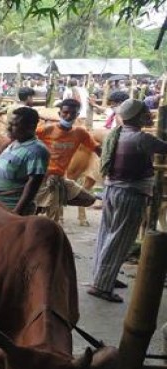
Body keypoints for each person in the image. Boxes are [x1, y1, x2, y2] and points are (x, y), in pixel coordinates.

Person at [89, 99, 167, 303]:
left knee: (107, 233)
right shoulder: (142, 138)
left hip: (112, 190)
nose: (149, 117)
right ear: (139, 117)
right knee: (120, 239)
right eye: (146, 113)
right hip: (130, 194)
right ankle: (101, 286)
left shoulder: (116, 134)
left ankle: (104, 277)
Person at [34, 98, 99, 222]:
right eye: (65, 112)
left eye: (73, 113)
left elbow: (96, 148)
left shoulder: (80, 133)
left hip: (58, 179)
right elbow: (26, 140)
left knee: (89, 199)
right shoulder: (46, 130)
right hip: (40, 177)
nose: (68, 116)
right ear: (59, 114)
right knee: (34, 212)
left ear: (77, 115)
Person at [0, 107, 50, 215]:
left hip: (9, 208)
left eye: (15, 125)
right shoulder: (14, 143)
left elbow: (33, 184)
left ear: (31, 126)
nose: (8, 128)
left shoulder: (37, 150)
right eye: (9, 124)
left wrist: (17, 212)